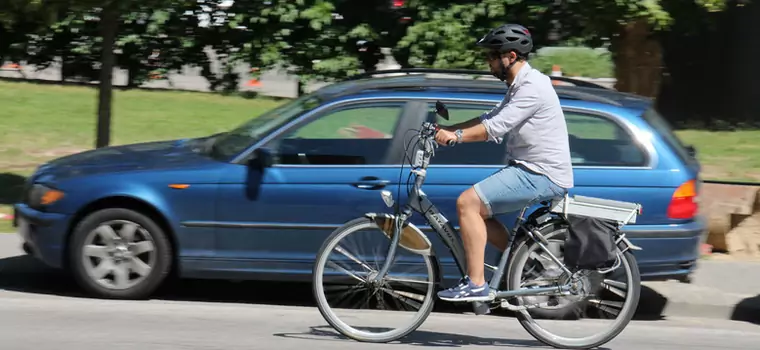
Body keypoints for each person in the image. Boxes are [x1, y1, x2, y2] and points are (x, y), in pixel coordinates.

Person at [433, 23, 575, 302]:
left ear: (509, 56)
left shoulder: (532, 87)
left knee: (467, 203)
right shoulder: (521, 84)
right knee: (478, 211)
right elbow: (489, 117)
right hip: (530, 168)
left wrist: (456, 137)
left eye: (492, 56)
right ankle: (524, 260)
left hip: (541, 174)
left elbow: (496, 126)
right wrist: (445, 130)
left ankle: (475, 284)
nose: (488, 62)